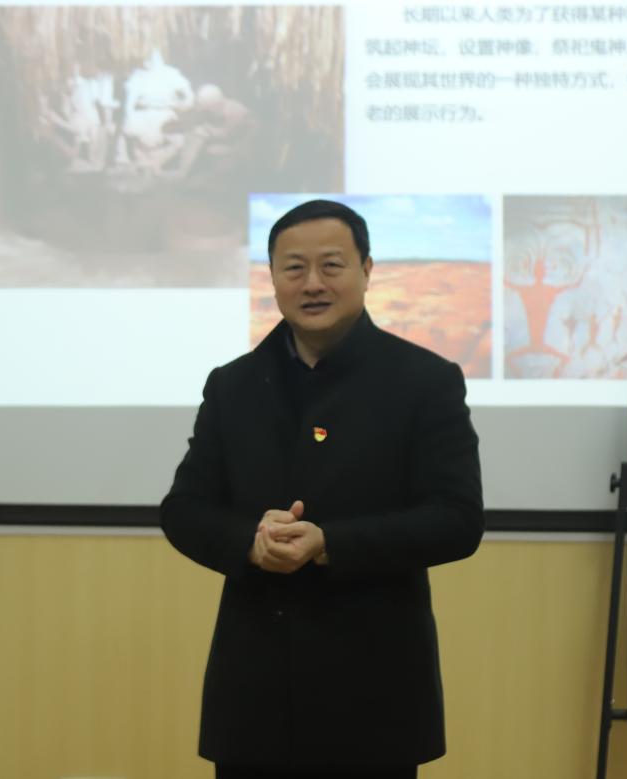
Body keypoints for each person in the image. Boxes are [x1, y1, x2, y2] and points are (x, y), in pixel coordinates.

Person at [160, 199, 484, 777]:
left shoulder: (425, 381)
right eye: (294, 268)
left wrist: (330, 543)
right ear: (272, 278)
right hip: (254, 698)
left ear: (367, 270)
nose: (312, 283)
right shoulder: (234, 385)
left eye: (331, 265)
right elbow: (184, 510)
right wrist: (249, 543)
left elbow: (457, 519)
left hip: (375, 695)